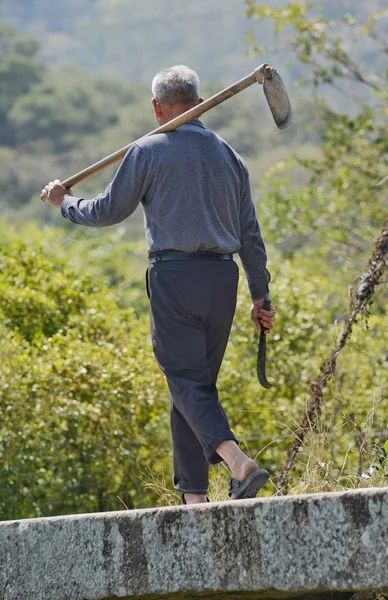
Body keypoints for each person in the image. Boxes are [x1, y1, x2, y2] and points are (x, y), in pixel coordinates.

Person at [42, 65, 276, 505]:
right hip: (223, 279)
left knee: (187, 381)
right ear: (198, 99)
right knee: (191, 387)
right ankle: (194, 498)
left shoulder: (148, 150)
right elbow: (251, 235)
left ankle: (238, 462)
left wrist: (64, 203)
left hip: (174, 277)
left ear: (157, 107)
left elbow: (108, 211)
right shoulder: (230, 156)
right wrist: (260, 293)